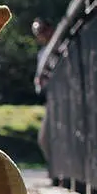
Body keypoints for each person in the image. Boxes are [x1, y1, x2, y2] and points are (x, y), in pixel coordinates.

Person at [32, 17, 55, 160]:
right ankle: (54, 169)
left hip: (65, 99)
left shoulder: (62, 47)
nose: (41, 35)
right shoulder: (42, 54)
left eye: (42, 31)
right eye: (37, 33)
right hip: (50, 100)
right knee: (44, 139)